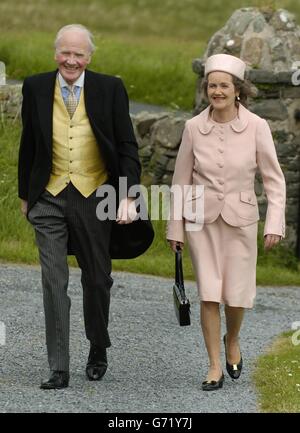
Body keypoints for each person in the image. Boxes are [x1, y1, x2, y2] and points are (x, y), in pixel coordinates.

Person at [18, 24, 153, 389]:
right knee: (53, 280)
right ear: (55, 53)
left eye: (79, 54)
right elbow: (29, 142)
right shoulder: (34, 86)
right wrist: (24, 194)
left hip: (95, 194)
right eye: (65, 52)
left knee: (97, 278)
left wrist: (127, 196)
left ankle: (97, 346)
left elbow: (127, 147)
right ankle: (58, 366)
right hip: (48, 195)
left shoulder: (110, 88)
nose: (71, 60)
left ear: (89, 58)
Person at [167, 54, 286, 391]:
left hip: (241, 222)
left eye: (223, 85)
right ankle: (214, 366)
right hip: (200, 222)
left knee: (236, 297)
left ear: (237, 90)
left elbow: (275, 181)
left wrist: (274, 222)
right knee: (208, 294)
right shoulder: (193, 128)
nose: (216, 91)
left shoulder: (257, 127)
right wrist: (175, 228)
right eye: (211, 85)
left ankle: (232, 338)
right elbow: (180, 181)